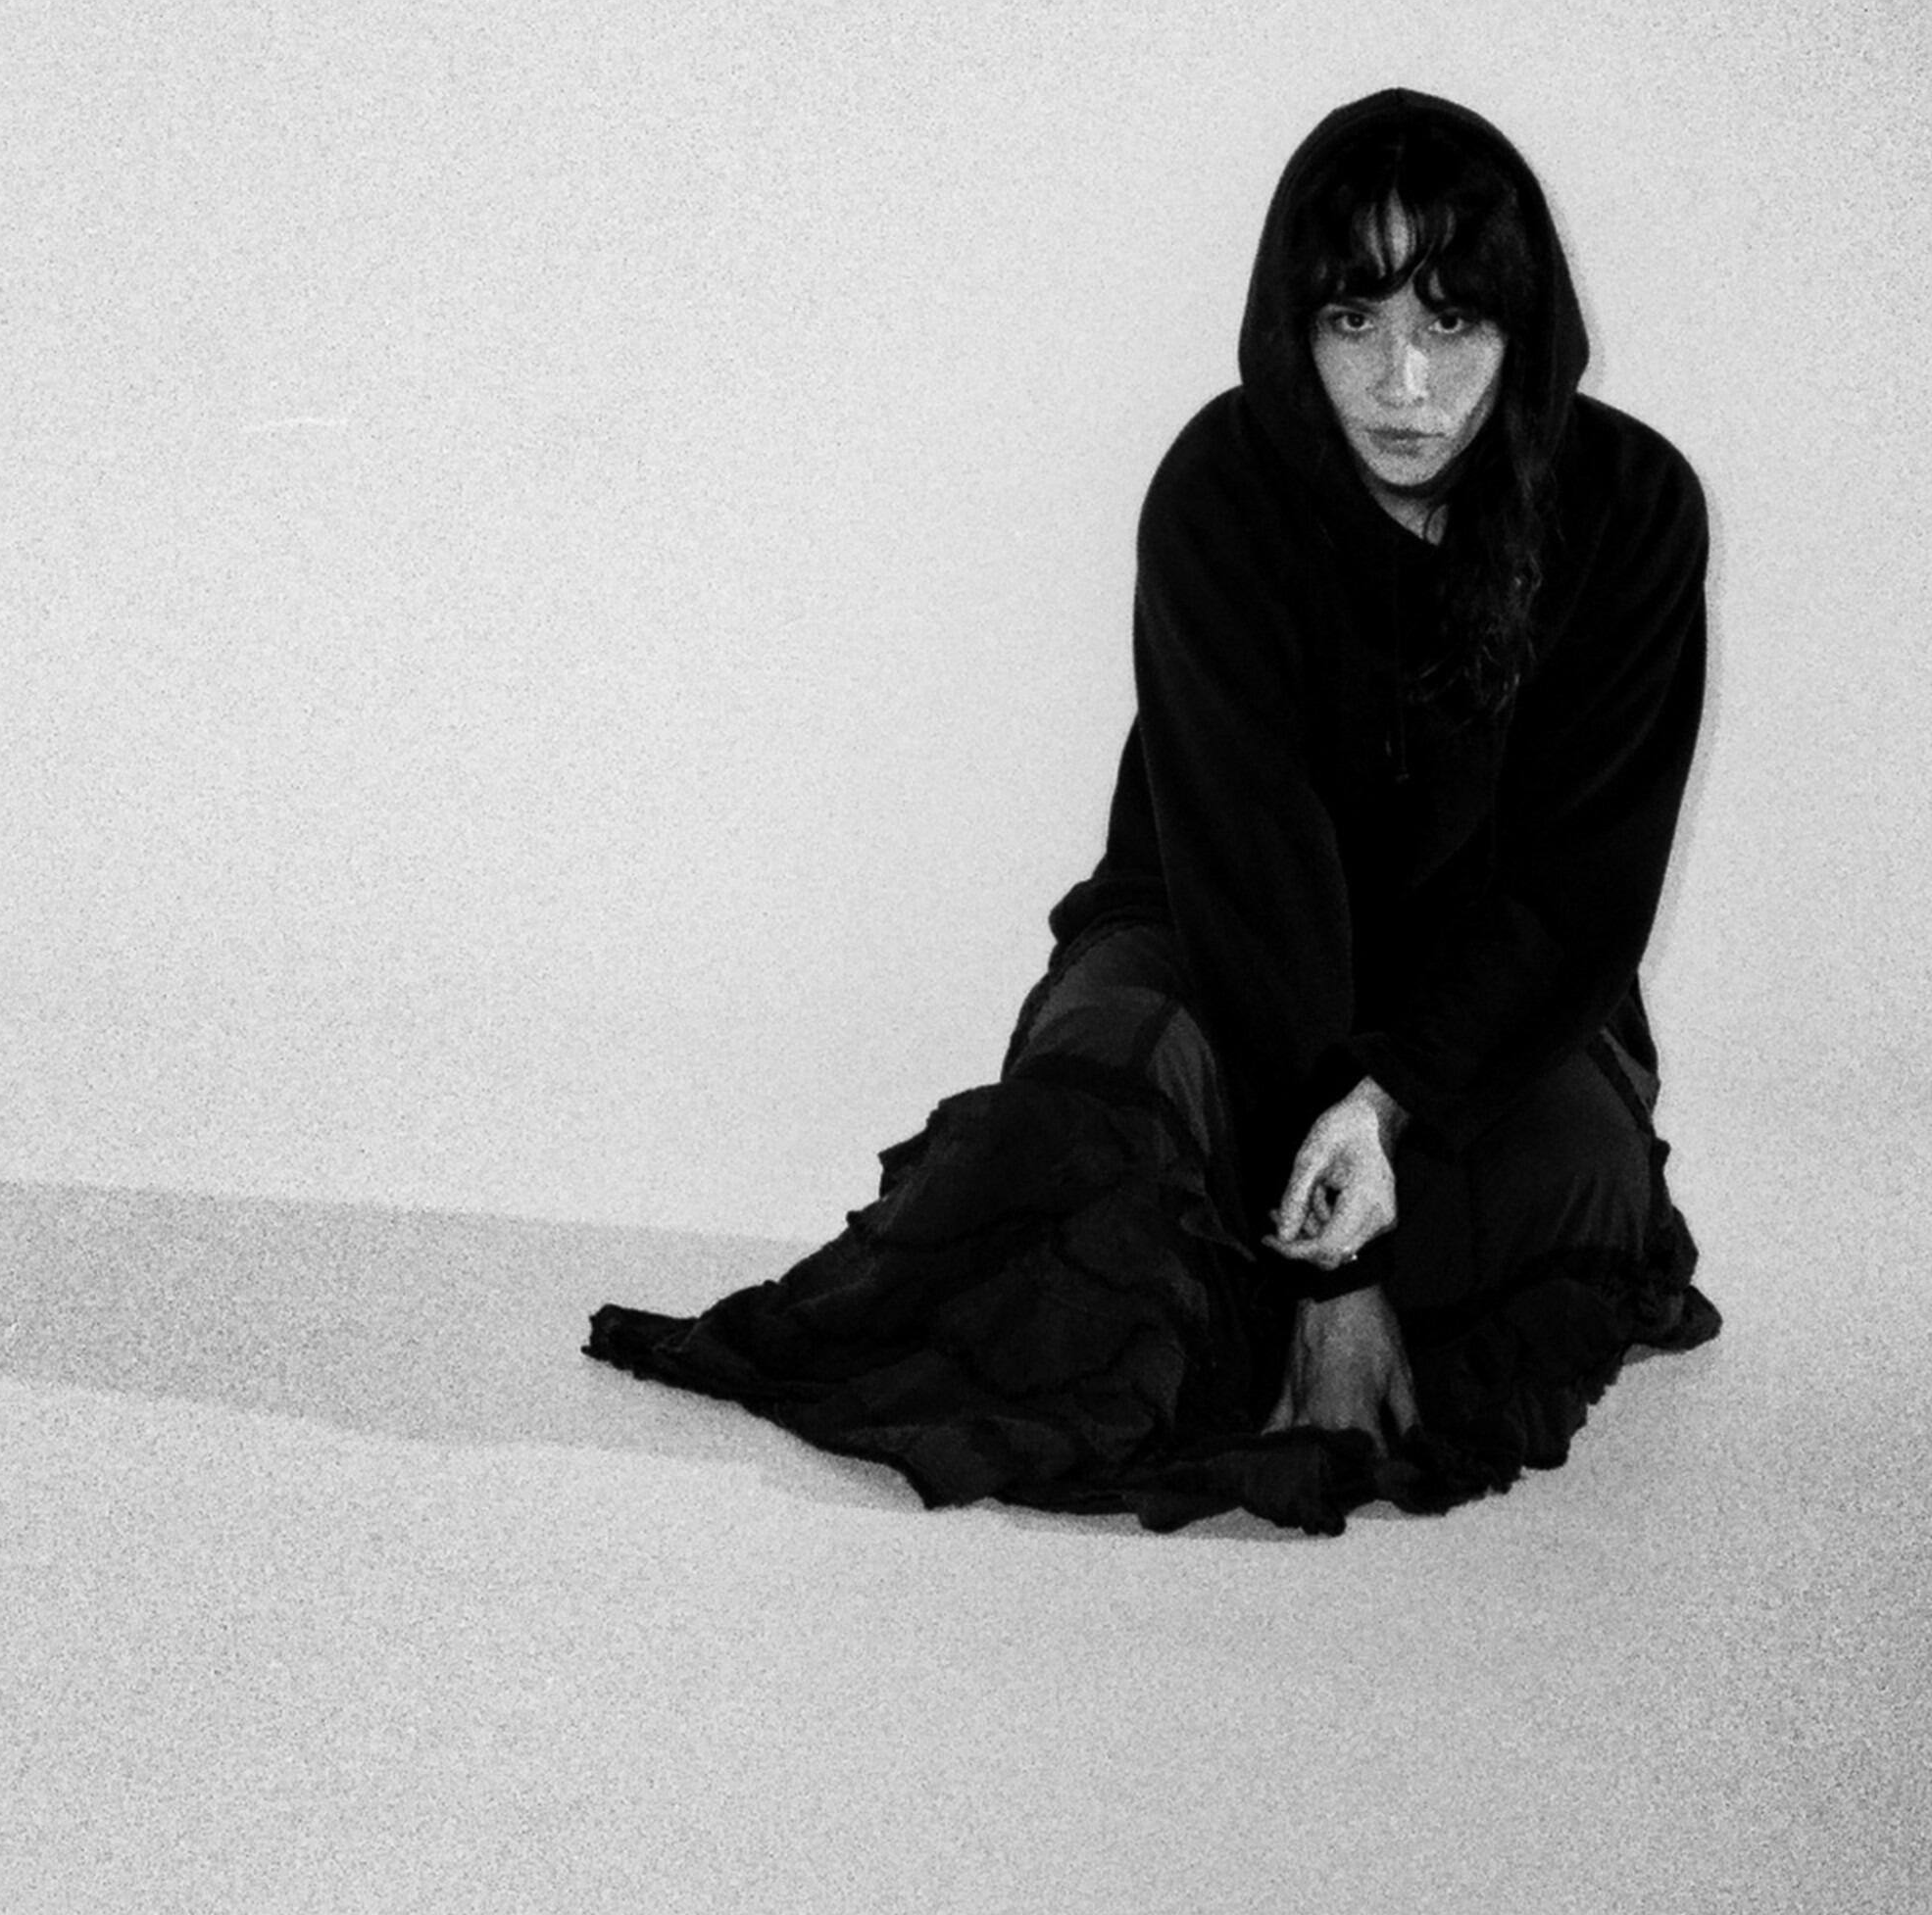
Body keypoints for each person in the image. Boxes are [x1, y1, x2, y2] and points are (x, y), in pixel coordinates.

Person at [585, 88, 1719, 1533]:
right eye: (1354, 320)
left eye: (1452, 322)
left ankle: (1229, 1291)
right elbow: (1252, 872)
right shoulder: (1223, 490)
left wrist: (1387, 1108)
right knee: (1101, 1114)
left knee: (1565, 1181)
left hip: (1487, 1003)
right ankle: (1238, 1292)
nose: (1404, 384)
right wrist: (1337, 1283)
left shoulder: (1630, 507)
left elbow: (1578, 891)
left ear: (1524, 325)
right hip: (1212, 938)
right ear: (1292, 326)